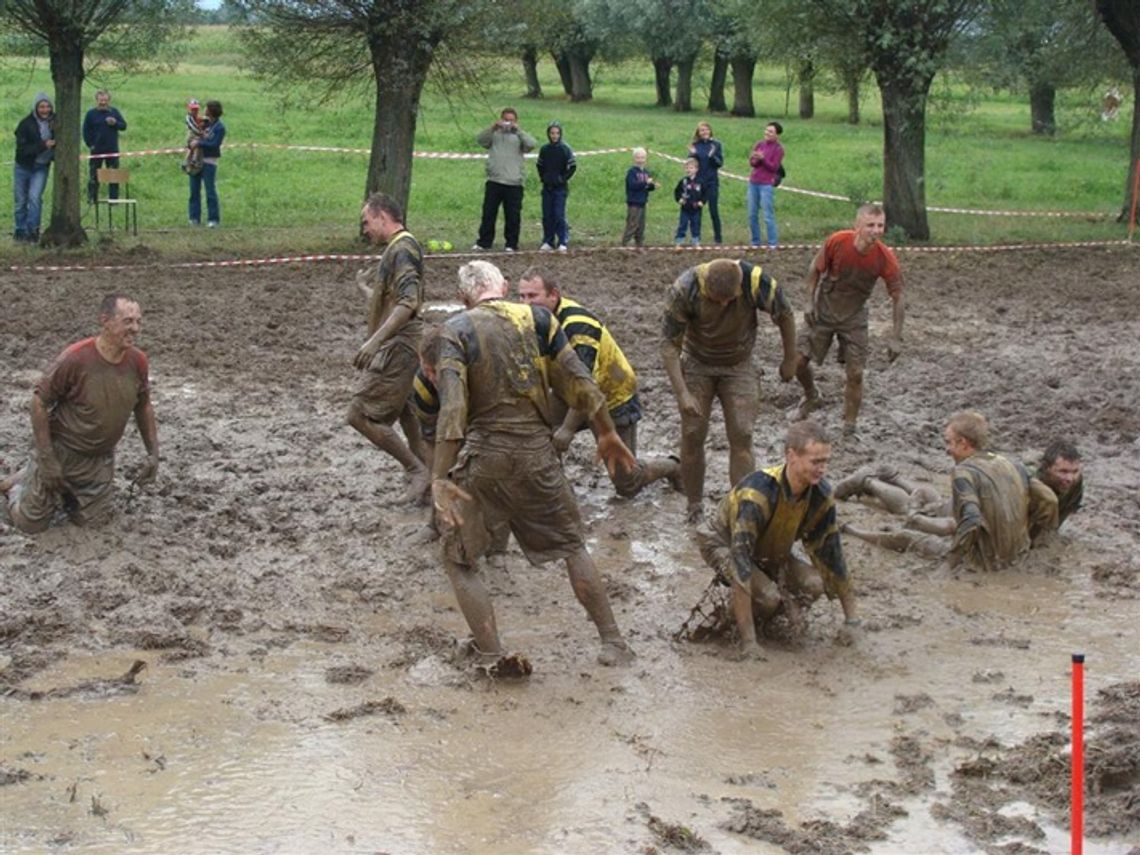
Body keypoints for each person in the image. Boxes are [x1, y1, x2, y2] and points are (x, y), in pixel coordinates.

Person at [430, 260, 637, 670]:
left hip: (485, 458)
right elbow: (581, 382)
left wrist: (439, 477)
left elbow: (452, 411)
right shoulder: (540, 320)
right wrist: (607, 432)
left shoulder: (455, 330)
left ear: (463, 297)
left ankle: (491, 652)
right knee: (573, 547)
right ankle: (613, 642)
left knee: (458, 558)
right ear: (504, 287)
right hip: (538, 456)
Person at [696, 421, 858, 659]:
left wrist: (852, 621)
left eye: (825, 462)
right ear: (791, 457)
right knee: (767, 597)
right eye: (815, 462)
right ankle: (731, 622)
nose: (822, 469)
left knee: (814, 584)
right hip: (723, 542)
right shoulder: (757, 495)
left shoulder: (820, 496)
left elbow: (832, 557)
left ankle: (774, 617)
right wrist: (749, 644)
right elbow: (741, 565)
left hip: (771, 544)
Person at [517, 267, 681, 497]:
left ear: (553, 295)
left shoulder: (578, 324)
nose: (525, 304)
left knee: (627, 483)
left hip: (611, 397)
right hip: (569, 393)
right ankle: (557, 490)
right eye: (521, 296)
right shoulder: (530, 322)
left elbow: (586, 383)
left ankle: (674, 467)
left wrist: (567, 429)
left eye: (532, 296)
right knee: (533, 425)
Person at [1, 294, 158, 533]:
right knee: (30, 524)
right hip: (62, 450)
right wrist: (47, 458)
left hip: (98, 460)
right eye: (127, 321)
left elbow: (144, 406)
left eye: (138, 321)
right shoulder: (76, 358)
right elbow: (38, 401)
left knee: (93, 523)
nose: (135, 329)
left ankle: (37, 479)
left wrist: (153, 453)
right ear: (105, 321)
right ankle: (17, 487)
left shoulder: (138, 362)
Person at [661, 258, 798, 523]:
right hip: (698, 362)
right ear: (706, 289)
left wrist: (790, 358)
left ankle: (742, 507)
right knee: (692, 433)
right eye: (717, 300)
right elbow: (668, 345)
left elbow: (785, 313)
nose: (724, 305)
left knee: (742, 433)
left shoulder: (755, 281)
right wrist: (682, 393)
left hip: (739, 363)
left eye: (730, 300)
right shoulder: (684, 290)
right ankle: (694, 506)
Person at [841, 412, 1058, 569]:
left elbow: (970, 521)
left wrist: (951, 563)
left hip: (984, 558)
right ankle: (883, 480)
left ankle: (850, 528)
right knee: (932, 503)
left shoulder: (963, 472)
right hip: (1016, 554)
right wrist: (1034, 540)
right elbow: (1049, 500)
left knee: (907, 535)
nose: (946, 449)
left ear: (963, 443)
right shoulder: (1012, 463)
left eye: (949, 442)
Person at [794, 203, 905, 437]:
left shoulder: (885, 258)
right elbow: (815, 269)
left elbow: (898, 297)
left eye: (880, 226)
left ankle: (849, 427)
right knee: (797, 362)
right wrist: (808, 301)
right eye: (870, 225)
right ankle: (811, 395)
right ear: (857, 226)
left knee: (856, 373)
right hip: (824, 310)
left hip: (854, 317)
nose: (876, 231)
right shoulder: (837, 241)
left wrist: (896, 337)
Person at [347, 192, 430, 502]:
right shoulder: (399, 248)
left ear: (383, 217)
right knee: (409, 416)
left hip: (400, 347)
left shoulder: (402, 249)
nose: (365, 229)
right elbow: (396, 300)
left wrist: (374, 341)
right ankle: (431, 483)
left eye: (366, 222)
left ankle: (416, 470)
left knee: (359, 414)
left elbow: (408, 302)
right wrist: (367, 290)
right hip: (405, 345)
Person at [473, 108, 536, 253]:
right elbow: (480, 140)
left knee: (513, 216)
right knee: (488, 214)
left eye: (511, 120)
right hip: (495, 181)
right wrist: (493, 127)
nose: (508, 123)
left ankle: (511, 244)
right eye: (506, 120)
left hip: (514, 183)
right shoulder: (494, 134)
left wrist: (518, 131)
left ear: (516, 121)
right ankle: (484, 242)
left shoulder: (519, 137)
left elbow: (532, 144)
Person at [12, 92, 56, 244]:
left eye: (48, 106)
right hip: (23, 166)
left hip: (41, 167)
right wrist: (43, 145)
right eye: (42, 107)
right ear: (36, 108)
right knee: (20, 201)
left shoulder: (56, 122)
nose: (45, 110)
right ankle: (20, 230)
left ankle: (33, 231)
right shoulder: (25, 124)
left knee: (35, 197)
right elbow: (22, 150)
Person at [536, 120, 576, 253]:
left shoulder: (565, 149)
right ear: (548, 134)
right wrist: (544, 178)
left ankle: (562, 240)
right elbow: (539, 165)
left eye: (557, 133)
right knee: (547, 215)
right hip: (547, 187)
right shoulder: (544, 149)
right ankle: (548, 240)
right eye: (552, 133)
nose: (554, 136)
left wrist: (562, 179)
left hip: (560, 189)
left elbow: (572, 166)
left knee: (559, 215)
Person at [82, 89, 127, 204]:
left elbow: (123, 126)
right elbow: (85, 131)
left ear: (109, 100)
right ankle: (92, 199)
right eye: (101, 100)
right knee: (94, 176)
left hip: (112, 150)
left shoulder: (114, 112)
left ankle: (114, 200)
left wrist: (115, 123)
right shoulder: (91, 114)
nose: (103, 102)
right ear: (96, 100)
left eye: (105, 100)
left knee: (114, 176)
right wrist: (90, 144)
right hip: (96, 150)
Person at [188, 100, 225, 228]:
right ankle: (194, 218)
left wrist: (199, 143)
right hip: (195, 160)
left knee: (210, 191)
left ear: (210, 111)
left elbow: (214, 144)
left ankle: (213, 219)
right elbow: (194, 134)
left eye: (206, 108)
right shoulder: (204, 123)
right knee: (194, 190)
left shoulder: (219, 128)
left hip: (209, 162)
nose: (204, 110)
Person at [747, 121, 783, 249]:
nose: (767, 133)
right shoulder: (759, 144)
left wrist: (763, 159)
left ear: (777, 135)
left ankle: (772, 243)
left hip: (766, 184)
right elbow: (752, 163)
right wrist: (756, 158)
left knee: (768, 215)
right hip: (753, 182)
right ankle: (755, 242)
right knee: (752, 214)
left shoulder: (778, 149)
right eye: (767, 130)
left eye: (771, 131)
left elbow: (774, 167)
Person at [688, 122, 724, 244]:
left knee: (713, 210)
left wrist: (712, 156)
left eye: (706, 129)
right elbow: (691, 164)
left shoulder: (716, 145)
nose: (704, 132)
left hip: (712, 181)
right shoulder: (695, 145)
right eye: (702, 130)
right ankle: (696, 237)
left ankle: (718, 238)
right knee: (696, 210)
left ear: (710, 131)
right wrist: (693, 154)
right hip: (698, 182)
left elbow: (719, 163)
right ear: (698, 133)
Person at [1035, 440, 1083, 527]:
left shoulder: (1076, 484)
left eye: (1075, 471)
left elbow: (1063, 513)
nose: (1070, 478)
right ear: (1046, 468)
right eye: (1063, 471)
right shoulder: (1029, 483)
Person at [621, 147, 658, 247]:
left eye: (642, 157)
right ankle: (624, 244)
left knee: (641, 226)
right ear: (634, 159)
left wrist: (652, 186)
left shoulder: (646, 172)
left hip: (643, 202)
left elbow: (646, 188)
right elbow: (633, 185)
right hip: (634, 202)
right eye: (638, 157)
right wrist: (645, 182)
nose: (640, 160)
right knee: (632, 224)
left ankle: (639, 244)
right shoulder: (631, 172)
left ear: (646, 159)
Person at [673, 158, 707, 247]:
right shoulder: (683, 181)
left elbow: (705, 193)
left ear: (696, 169)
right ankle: (679, 241)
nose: (689, 170)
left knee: (696, 225)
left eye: (691, 168)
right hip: (685, 208)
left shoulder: (701, 181)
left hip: (696, 209)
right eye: (687, 168)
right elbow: (677, 192)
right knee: (683, 224)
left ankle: (696, 241)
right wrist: (679, 199)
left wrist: (702, 202)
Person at [182, 99, 206, 177]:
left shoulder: (198, 117)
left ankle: (186, 163)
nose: (195, 111)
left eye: (196, 109)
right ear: (189, 109)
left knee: (192, 149)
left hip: (198, 135)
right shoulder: (188, 117)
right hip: (192, 136)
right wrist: (201, 132)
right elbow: (193, 127)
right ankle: (194, 161)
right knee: (196, 145)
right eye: (193, 109)